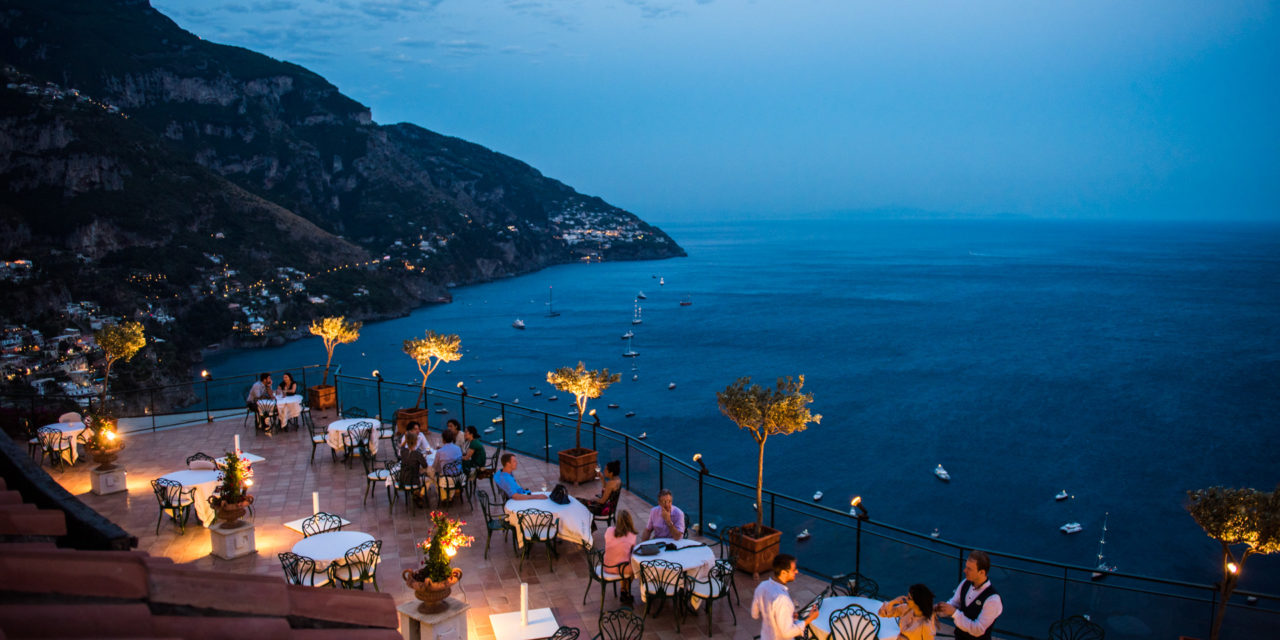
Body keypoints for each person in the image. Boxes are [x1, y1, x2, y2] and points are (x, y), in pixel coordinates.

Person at [935, 550, 1002, 640]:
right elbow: (954, 602)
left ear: (981, 572)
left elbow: (978, 630)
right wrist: (939, 609)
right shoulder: (965, 583)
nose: (964, 570)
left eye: (969, 569)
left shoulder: (993, 600)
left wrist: (954, 613)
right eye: (966, 567)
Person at [751, 553, 819, 640]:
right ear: (783, 572)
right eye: (793, 570)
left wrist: (788, 617)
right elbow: (787, 633)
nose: (797, 571)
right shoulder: (782, 599)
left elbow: (754, 614)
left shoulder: (762, 586)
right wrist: (810, 619)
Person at [604, 510, 638, 605]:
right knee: (633, 567)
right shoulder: (632, 535)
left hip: (607, 566)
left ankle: (623, 590)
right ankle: (626, 589)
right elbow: (632, 552)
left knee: (622, 561)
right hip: (622, 569)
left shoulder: (609, 530)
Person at [397, 430, 430, 508]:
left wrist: (406, 439)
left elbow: (402, 446)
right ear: (416, 442)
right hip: (414, 481)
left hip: (403, 479)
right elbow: (425, 466)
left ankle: (416, 494)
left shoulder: (403, 451)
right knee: (428, 479)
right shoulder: (418, 454)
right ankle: (419, 496)